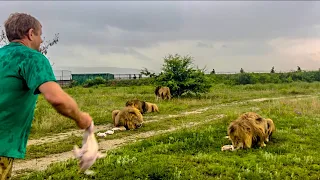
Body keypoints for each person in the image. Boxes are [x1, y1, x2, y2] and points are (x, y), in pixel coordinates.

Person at [0, 12, 93, 179]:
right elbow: (56, 98)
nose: (42, 41)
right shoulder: (32, 58)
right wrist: (81, 118)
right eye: (40, 35)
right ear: (30, 34)